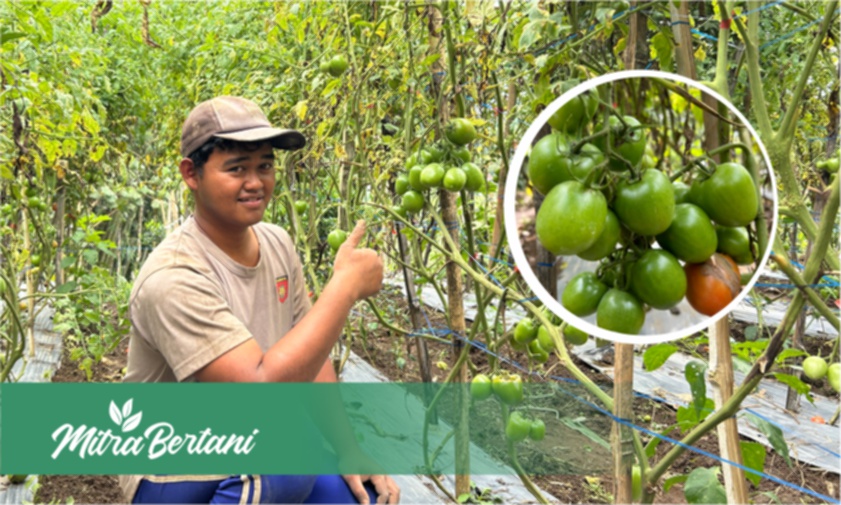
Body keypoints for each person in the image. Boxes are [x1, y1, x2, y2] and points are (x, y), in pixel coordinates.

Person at [119, 96, 399, 504]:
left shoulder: (277, 243)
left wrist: (347, 447)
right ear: (191, 174)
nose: (255, 182)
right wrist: (345, 287)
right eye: (236, 169)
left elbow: (313, 354)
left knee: (361, 496)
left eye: (264, 166)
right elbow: (257, 389)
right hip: (169, 474)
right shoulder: (174, 276)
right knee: (289, 446)